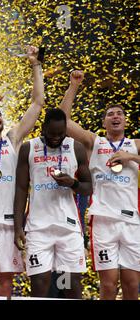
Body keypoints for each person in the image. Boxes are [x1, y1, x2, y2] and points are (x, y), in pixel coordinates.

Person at [59, 70, 140, 300]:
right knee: (108, 285)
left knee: (132, 285)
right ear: (104, 121)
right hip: (103, 220)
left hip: (132, 221)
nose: (115, 116)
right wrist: (73, 86)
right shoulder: (94, 142)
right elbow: (63, 121)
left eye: (120, 114)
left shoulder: (135, 145)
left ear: (125, 120)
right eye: (110, 114)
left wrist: (131, 158)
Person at [0, 46, 44, 297]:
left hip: (11, 222)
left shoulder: (13, 139)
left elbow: (37, 104)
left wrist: (36, 65)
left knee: (6, 284)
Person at [14, 108, 93, 298]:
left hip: (68, 229)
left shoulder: (76, 147)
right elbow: (21, 189)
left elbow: (88, 187)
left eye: (61, 133)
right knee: (40, 283)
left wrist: (72, 183)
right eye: (52, 133)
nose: (57, 138)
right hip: (38, 229)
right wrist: (18, 226)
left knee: (68, 285)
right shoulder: (29, 148)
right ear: (43, 128)